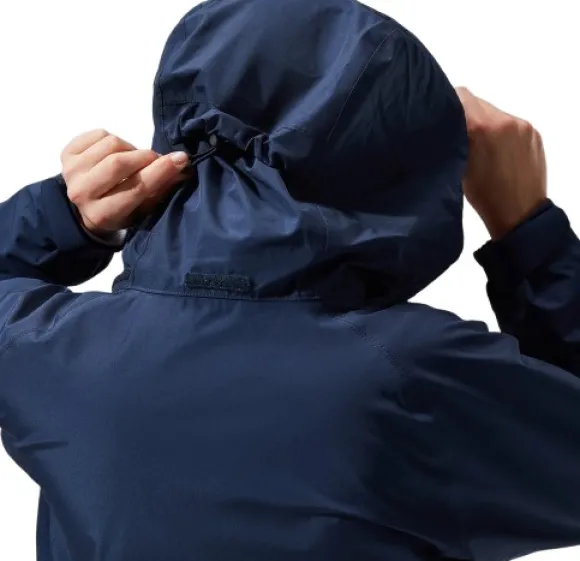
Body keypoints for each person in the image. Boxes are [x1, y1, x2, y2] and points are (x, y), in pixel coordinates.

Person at [0, 0, 579, 560]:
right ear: (406, 163)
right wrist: (529, 232)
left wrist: (67, 215)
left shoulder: (51, 349)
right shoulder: (413, 377)